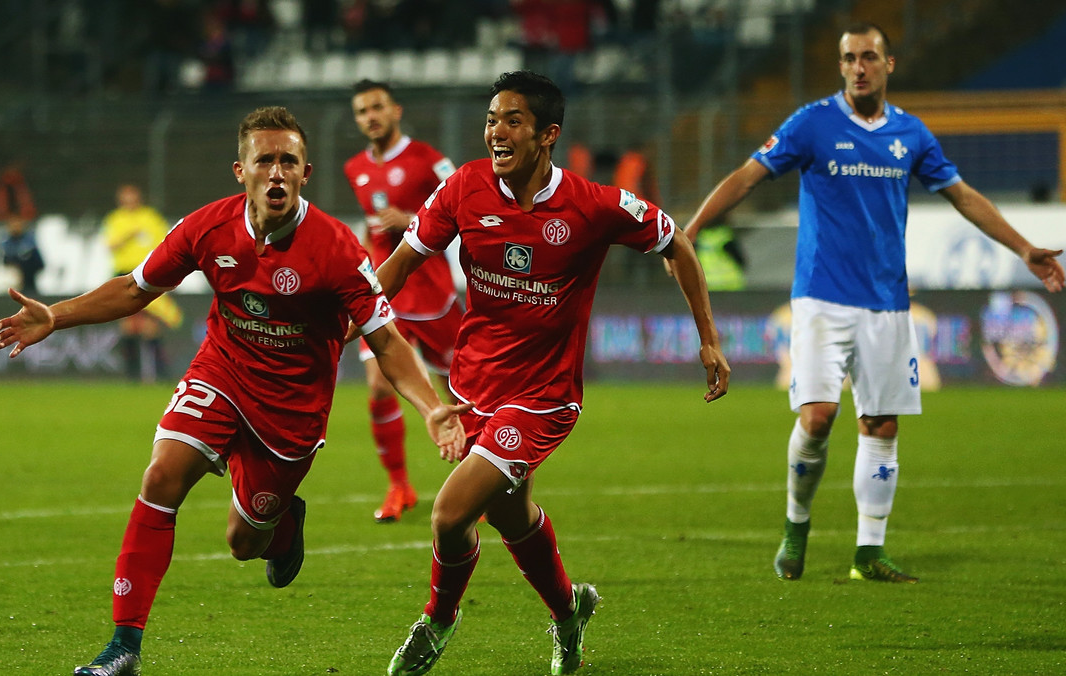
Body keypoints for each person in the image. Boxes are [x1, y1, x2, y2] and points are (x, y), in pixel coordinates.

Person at [0, 106, 470, 676]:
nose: (275, 171)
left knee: (244, 542)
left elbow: (387, 342)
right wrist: (57, 316)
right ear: (239, 170)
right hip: (221, 373)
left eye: (287, 160)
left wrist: (432, 408)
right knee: (161, 476)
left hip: (292, 410)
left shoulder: (337, 249)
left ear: (305, 172)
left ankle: (283, 524)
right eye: (263, 160)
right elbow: (135, 289)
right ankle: (122, 649)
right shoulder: (206, 228)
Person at [673, 22, 1064, 584]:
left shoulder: (912, 134)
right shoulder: (811, 123)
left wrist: (1024, 247)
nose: (859, 66)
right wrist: (687, 232)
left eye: (869, 57)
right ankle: (796, 524)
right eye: (849, 58)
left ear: (889, 65)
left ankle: (869, 553)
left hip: (886, 303)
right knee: (818, 416)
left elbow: (963, 196)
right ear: (841, 67)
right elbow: (746, 176)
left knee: (880, 426)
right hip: (821, 297)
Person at [374, 70, 730, 676]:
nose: (496, 132)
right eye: (491, 120)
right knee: (511, 516)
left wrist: (709, 340)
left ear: (547, 136)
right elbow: (401, 264)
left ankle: (437, 622)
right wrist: (347, 318)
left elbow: (678, 245)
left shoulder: (593, 205)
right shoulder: (464, 188)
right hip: (471, 385)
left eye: (512, 120)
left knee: (449, 513)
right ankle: (569, 614)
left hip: (542, 397)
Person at [344, 79, 463, 523]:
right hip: (380, 293)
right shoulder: (355, 166)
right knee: (378, 387)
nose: (370, 116)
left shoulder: (429, 161)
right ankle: (399, 486)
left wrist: (412, 220)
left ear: (396, 110)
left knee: (458, 389)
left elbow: (463, 210)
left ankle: (482, 481)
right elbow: (370, 228)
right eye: (361, 111)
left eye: (377, 107)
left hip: (431, 293)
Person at [101, 183, 184, 382]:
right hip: (124, 274)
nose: (129, 200)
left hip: (149, 273)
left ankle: (160, 372)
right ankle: (132, 373)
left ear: (139, 198)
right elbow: (111, 245)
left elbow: (165, 242)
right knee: (129, 324)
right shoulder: (115, 219)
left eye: (132, 196)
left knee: (151, 324)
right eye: (125, 197)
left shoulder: (150, 217)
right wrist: (129, 235)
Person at [0, 160, 44, 294]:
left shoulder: (29, 241)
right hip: (12, 288)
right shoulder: (4, 242)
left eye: (17, 221)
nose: (15, 225)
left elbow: (40, 264)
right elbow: (2, 264)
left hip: (29, 288)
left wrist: (24, 268)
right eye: (12, 222)